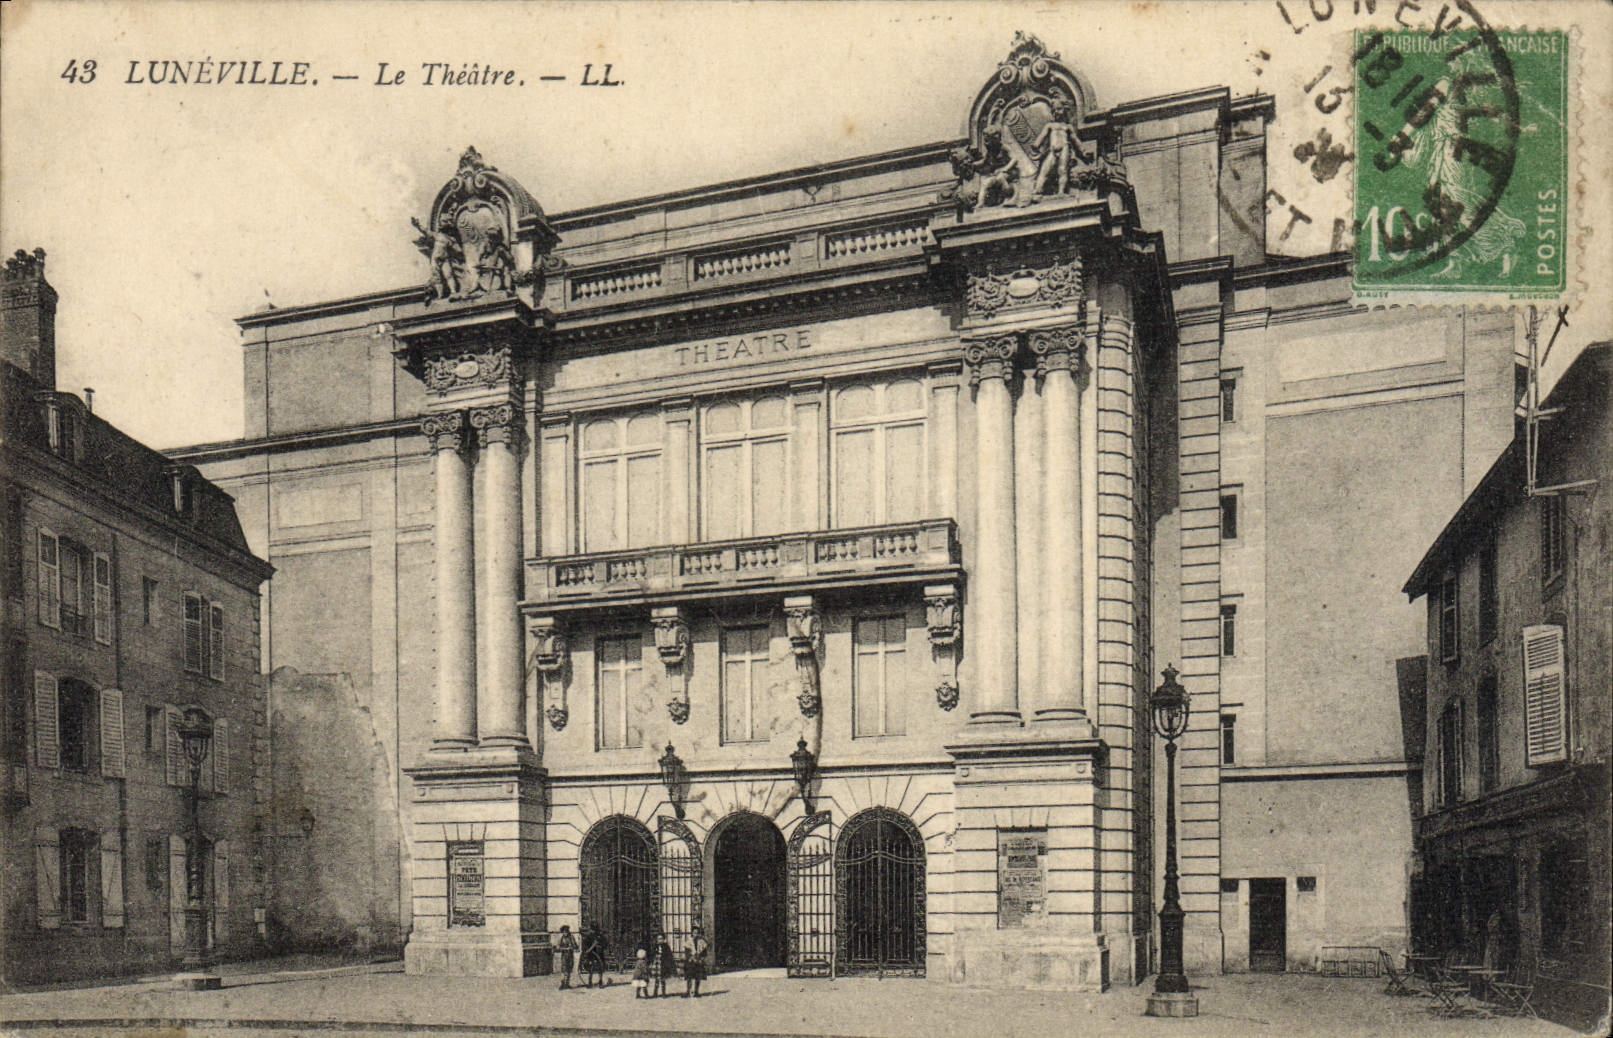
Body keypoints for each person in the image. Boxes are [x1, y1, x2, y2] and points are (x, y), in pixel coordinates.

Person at [682, 922, 709, 998]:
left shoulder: (702, 942)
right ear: (692, 933)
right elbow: (687, 952)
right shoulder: (688, 941)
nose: (695, 934)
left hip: (698, 961)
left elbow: (704, 952)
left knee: (698, 977)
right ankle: (688, 991)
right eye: (694, 933)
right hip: (691, 961)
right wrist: (691, 957)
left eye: (697, 933)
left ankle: (696, 992)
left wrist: (701, 958)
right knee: (689, 977)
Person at [580, 922, 607, 988]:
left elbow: (603, 944)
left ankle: (600, 982)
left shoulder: (599, 935)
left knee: (599, 967)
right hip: (592, 954)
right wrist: (587, 951)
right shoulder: (589, 935)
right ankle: (590, 982)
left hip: (598, 953)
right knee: (591, 967)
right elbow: (586, 945)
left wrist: (589, 950)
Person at [652, 931, 676, 998]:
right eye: (658, 939)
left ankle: (663, 993)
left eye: (661, 939)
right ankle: (655, 993)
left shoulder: (666, 946)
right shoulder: (655, 946)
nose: (660, 940)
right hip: (657, 964)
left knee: (663, 979)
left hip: (663, 964)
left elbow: (669, 956)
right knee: (656, 980)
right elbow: (653, 954)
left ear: (663, 939)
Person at [555, 925, 578, 990]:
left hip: (570, 955)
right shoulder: (561, 938)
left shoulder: (571, 937)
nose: (565, 933)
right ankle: (563, 983)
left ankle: (567, 983)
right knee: (564, 969)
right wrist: (565, 949)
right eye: (564, 932)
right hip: (564, 955)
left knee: (569, 969)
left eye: (566, 931)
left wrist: (572, 947)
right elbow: (558, 947)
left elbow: (576, 946)